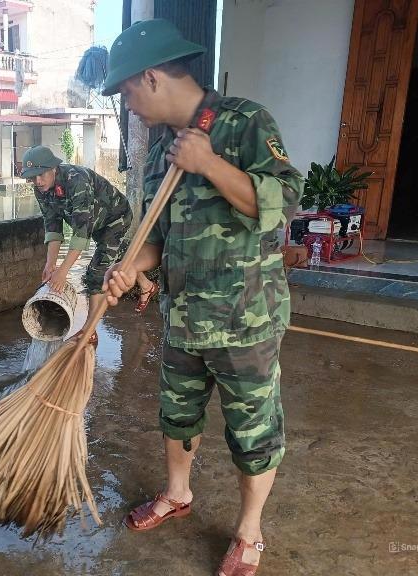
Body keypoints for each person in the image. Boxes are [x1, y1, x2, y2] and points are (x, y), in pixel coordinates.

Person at [101, 19, 304, 576]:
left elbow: (283, 204)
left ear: (151, 77)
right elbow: (158, 240)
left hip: (245, 320)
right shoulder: (157, 153)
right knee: (177, 414)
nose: (127, 105)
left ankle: (249, 532)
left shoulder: (243, 122)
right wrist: (128, 268)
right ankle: (177, 494)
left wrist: (210, 164)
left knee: (254, 431)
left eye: (125, 92)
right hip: (184, 318)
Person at [21, 146, 159, 343]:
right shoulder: (41, 189)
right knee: (114, 255)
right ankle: (147, 285)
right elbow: (52, 227)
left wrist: (63, 271)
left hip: (115, 217)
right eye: (32, 177)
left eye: (40, 175)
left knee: (96, 272)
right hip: (96, 221)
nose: (37, 181)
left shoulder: (76, 181)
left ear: (53, 168)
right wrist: (50, 264)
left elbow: (80, 234)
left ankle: (90, 331)